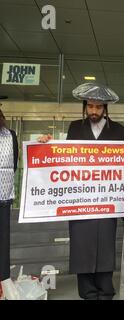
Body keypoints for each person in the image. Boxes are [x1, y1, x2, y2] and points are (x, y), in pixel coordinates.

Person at [37, 83, 124, 300]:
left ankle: (105, 291)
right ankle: (87, 293)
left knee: (105, 246)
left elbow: (123, 164)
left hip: (106, 199)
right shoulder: (74, 127)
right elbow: (64, 158)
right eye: (90, 106)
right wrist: (46, 144)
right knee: (82, 246)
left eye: (98, 107)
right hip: (80, 199)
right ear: (85, 107)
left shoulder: (118, 130)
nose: (93, 111)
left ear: (105, 108)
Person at [0, 97, 20, 299]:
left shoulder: (10, 135)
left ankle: (2, 289)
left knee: (2, 247)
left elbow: (13, 166)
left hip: (2, 200)